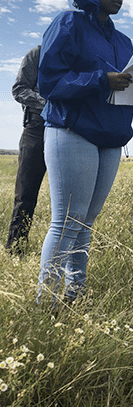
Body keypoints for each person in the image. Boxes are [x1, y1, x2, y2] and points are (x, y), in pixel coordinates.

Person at [37, 0, 133, 303]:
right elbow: (48, 82)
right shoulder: (69, 23)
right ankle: (45, 304)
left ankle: (75, 295)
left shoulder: (123, 41)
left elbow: (127, 99)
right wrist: (101, 79)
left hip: (111, 137)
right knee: (66, 222)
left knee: (86, 223)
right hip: (72, 130)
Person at [6, 46, 46, 255]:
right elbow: (19, 89)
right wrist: (47, 104)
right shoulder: (37, 53)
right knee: (25, 194)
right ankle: (16, 250)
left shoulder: (75, 53)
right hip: (36, 128)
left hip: (69, 130)